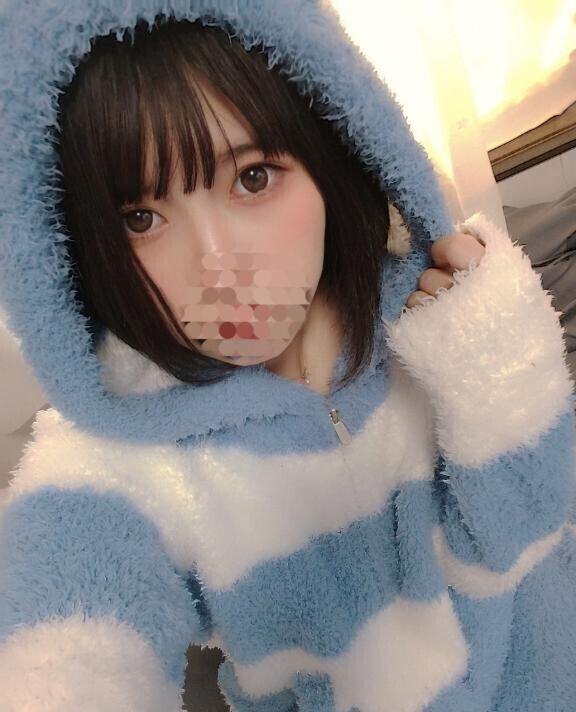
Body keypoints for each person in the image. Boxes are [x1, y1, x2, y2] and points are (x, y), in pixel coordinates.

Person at [0, 3, 574, 712]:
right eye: (140, 219)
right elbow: (61, 658)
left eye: (252, 178)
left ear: (330, 152)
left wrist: (496, 362)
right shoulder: (109, 463)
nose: (218, 267)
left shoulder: (449, 315)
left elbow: (534, 532)